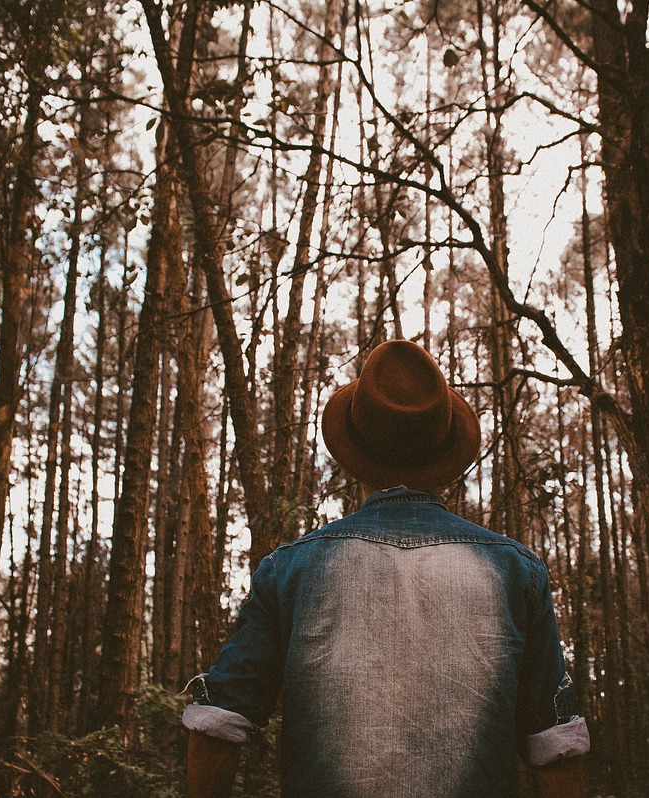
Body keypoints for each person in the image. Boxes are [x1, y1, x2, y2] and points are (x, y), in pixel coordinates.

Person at [182, 339, 589, 798]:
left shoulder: (291, 569)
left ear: (356, 456)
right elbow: (556, 748)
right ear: (444, 456)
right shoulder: (514, 570)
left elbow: (217, 726)